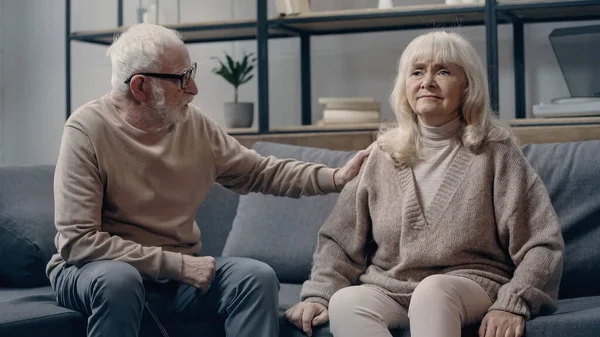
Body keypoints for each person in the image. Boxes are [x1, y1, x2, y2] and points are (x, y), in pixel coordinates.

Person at [46, 23, 371, 337]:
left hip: (175, 277)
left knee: (255, 277)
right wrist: (178, 266)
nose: (194, 89)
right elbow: (80, 242)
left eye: (192, 73)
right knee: (119, 280)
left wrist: (335, 176)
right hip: (93, 271)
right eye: (182, 79)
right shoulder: (86, 130)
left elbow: (260, 172)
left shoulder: (193, 124)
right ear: (140, 87)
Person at [285, 30, 564, 337]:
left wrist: (512, 302)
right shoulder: (382, 154)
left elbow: (542, 243)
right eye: (417, 72)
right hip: (391, 287)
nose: (427, 81)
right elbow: (339, 240)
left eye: (442, 71)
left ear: (467, 87)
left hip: (470, 285)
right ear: (405, 86)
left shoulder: (496, 151)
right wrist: (319, 294)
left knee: (433, 292)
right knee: (346, 302)